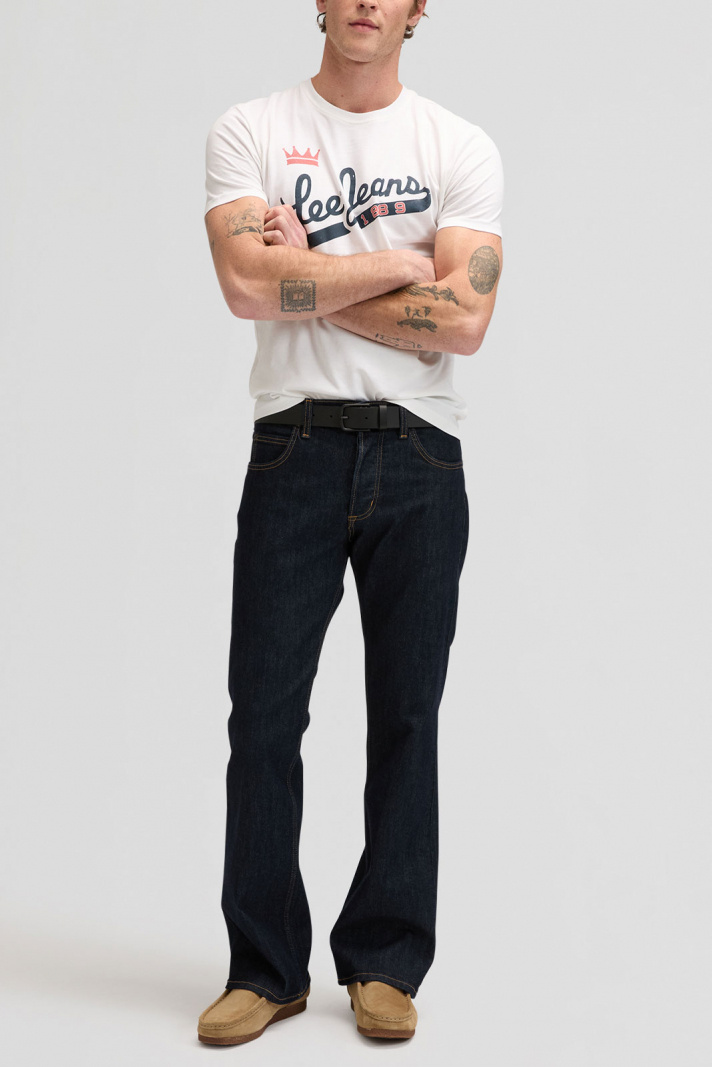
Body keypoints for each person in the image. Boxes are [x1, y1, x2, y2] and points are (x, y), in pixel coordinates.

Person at [198, 0, 503, 1045]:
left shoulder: (457, 146)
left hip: (420, 451)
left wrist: (311, 276)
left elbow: (465, 319)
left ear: (418, 9)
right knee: (262, 716)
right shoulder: (251, 128)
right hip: (295, 446)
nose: (367, 1)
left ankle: (384, 961)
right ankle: (265, 966)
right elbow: (246, 285)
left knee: (407, 715)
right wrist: (402, 264)